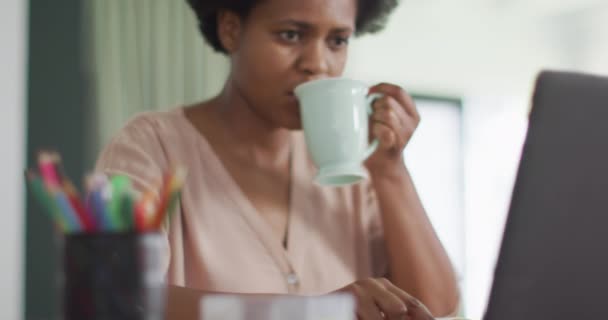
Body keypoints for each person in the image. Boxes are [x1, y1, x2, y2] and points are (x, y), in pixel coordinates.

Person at [95, 0, 460, 319]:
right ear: (231, 30)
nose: (317, 63)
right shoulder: (148, 147)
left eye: (337, 40)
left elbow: (435, 306)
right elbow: (118, 297)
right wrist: (311, 314)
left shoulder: (353, 170)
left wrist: (391, 171)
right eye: (290, 35)